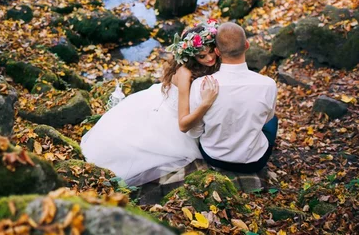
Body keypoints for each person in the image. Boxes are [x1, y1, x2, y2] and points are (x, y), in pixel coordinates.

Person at [80, 20, 221, 186]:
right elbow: (183, 123)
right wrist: (206, 103)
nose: (210, 58)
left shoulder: (208, 62)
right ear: (190, 56)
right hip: (171, 117)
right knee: (135, 143)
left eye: (212, 51)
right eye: (202, 56)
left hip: (159, 99)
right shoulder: (185, 73)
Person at [186, 22, 278, 173]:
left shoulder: (200, 85)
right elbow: (267, 119)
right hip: (253, 161)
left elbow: (194, 132)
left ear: (217, 51)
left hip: (213, 156)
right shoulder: (268, 84)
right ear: (247, 45)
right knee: (273, 120)